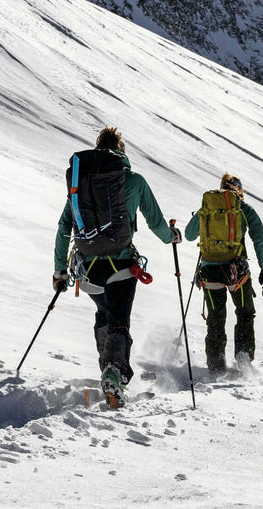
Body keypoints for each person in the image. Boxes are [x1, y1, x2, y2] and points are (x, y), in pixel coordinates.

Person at [52, 126, 181, 407]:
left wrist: (59, 271)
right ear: (121, 151)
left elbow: (64, 225)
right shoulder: (132, 180)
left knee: (104, 314)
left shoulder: (80, 184)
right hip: (121, 266)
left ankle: (107, 371)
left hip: (87, 269)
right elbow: (157, 224)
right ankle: (113, 373)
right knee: (119, 321)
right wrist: (173, 236)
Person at [184, 173, 263, 373]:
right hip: (236, 273)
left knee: (215, 316)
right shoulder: (243, 209)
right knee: (245, 312)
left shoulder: (207, 208)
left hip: (209, 271)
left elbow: (189, 235)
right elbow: (259, 239)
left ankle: (216, 364)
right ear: (239, 191)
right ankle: (244, 358)